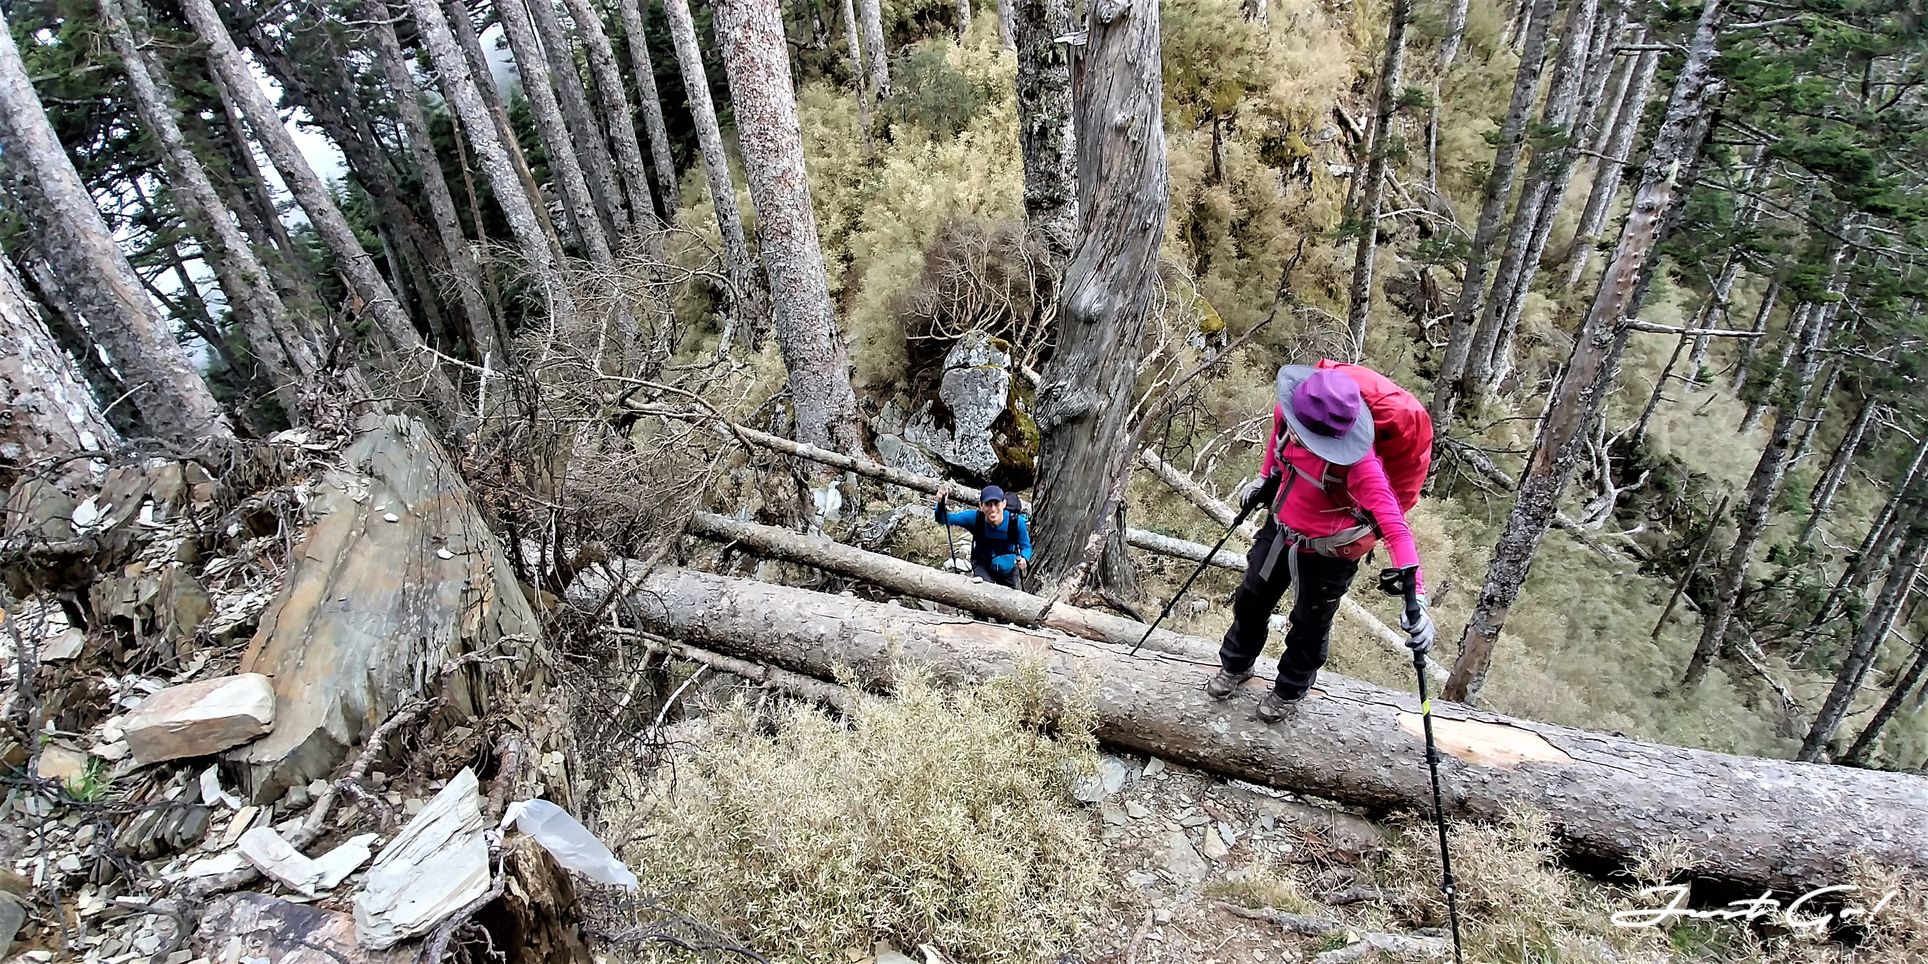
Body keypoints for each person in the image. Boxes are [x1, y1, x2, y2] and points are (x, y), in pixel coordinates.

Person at [1207, 364, 1435, 722]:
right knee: (1251, 599)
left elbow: (1396, 527)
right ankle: (1236, 665)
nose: (1297, 438)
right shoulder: (1294, 408)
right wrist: (1264, 477)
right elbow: (1277, 441)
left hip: (1329, 553)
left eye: (1307, 437)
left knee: (1310, 624)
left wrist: (1415, 596)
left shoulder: (1362, 465)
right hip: (1280, 530)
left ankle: (1289, 690)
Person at [934, 483, 1031, 589]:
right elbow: (943, 519)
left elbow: (1026, 547)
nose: (993, 509)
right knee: (984, 591)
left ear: (1004, 504)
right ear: (981, 506)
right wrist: (940, 504)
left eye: (996, 504)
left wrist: (1024, 559)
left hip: (1008, 567)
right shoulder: (974, 518)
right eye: (988, 504)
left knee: (1010, 598)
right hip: (982, 565)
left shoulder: (1016, 522)